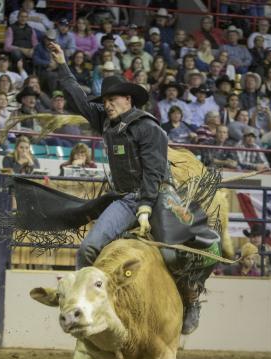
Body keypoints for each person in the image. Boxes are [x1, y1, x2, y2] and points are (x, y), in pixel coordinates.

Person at [49, 41, 206, 335]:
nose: (106, 104)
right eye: (105, 100)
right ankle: (81, 302)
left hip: (157, 195)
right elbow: (80, 100)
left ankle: (191, 299)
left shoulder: (149, 128)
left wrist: (146, 206)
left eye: (112, 99)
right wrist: (62, 65)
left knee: (176, 253)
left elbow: (155, 171)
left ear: (127, 100)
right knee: (89, 248)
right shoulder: (107, 122)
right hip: (124, 199)